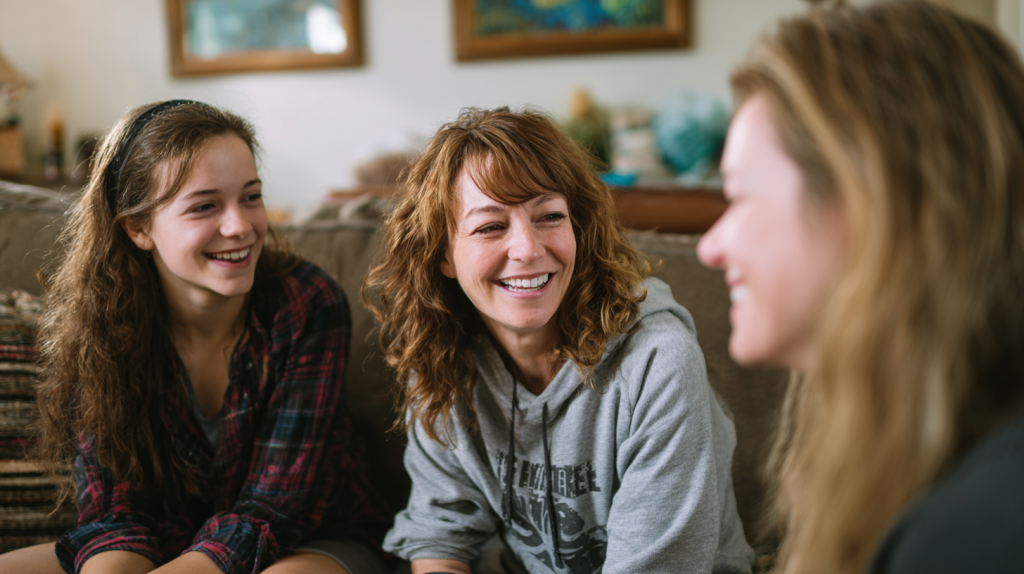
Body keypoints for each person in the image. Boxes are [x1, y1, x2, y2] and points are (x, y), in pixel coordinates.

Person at [695, 3, 1024, 574]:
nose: (709, 247)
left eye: (739, 197)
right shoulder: (926, 455)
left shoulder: (973, 533)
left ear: (867, 208)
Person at [0, 100, 388, 574]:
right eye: (205, 206)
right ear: (138, 227)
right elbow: (114, 512)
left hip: (305, 538)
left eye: (251, 196)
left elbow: (271, 510)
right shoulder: (99, 323)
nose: (240, 227)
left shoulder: (308, 303)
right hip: (162, 540)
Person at [363, 107, 754, 574]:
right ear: (443, 255)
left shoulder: (657, 360)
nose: (528, 249)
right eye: (490, 226)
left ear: (577, 228)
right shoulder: (440, 357)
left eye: (548, 216)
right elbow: (440, 532)